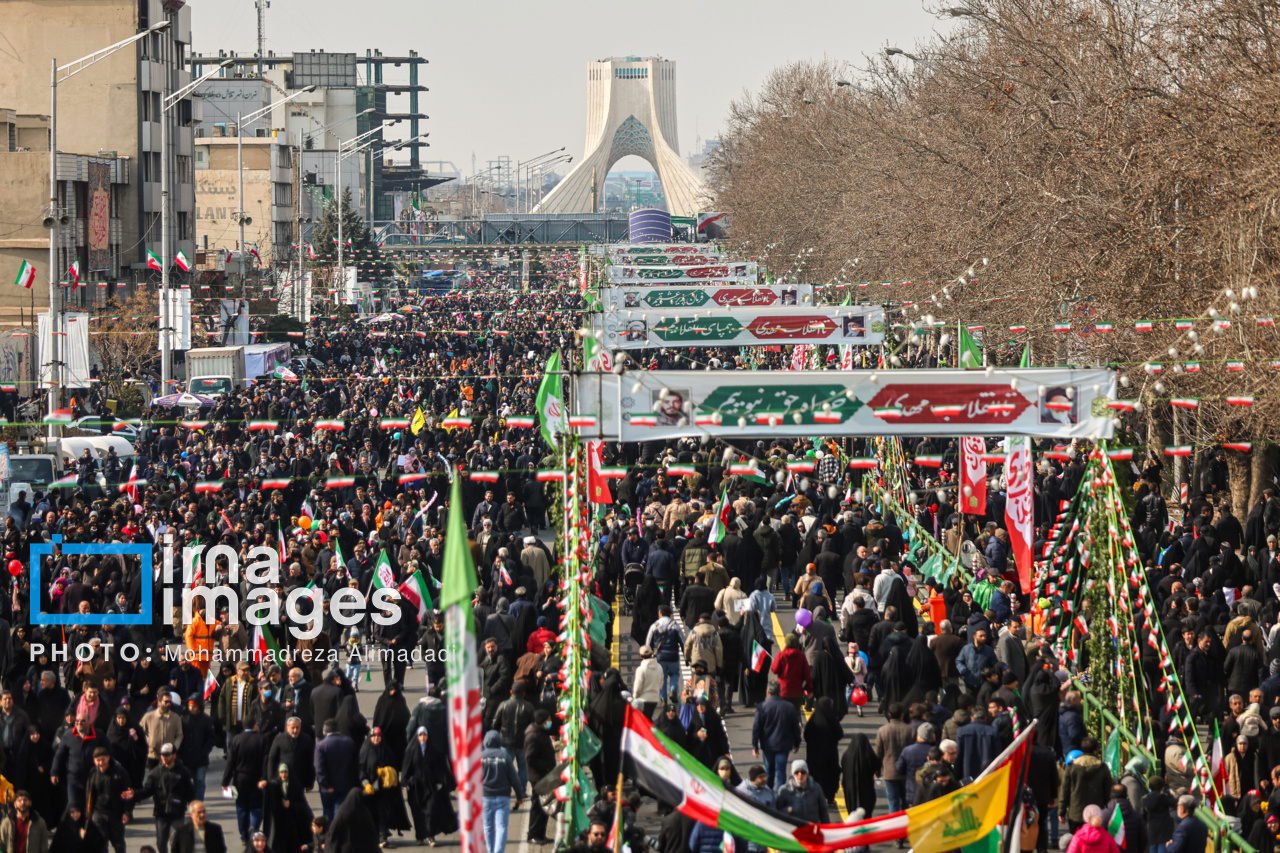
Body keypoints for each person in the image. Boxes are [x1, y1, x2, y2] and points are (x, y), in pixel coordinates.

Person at [140, 742, 194, 853]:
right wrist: (134, 794)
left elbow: (190, 792)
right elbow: (147, 790)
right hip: (161, 813)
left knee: (176, 841)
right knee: (161, 843)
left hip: (177, 812)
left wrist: (193, 807)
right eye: (162, 755)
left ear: (174, 755)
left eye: (167, 754)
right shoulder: (155, 772)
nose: (164, 757)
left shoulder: (183, 771)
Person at [751, 682, 803, 791]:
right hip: (783, 745)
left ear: (767, 692)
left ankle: (768, 793)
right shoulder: (789, 707)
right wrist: (797, 743)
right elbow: (795, 727)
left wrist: (755, 745)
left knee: (769, 771)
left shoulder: (762, 707)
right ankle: (780, 795)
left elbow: (756, 728)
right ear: (780, 691)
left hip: (767, 745)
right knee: (781, 772)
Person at [480, 730, 523, 853]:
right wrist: (519, 795)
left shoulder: (481, 757)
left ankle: (490, 850)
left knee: (488, 826)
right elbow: (514, 778)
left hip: (486, 797)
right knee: (501, 827)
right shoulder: (505, 756)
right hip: (502, 797)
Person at [1060, 737, 1113, 832]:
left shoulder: (1072, 767)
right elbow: (1108, 792)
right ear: (1095, 751)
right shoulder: (1102, 767)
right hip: (1096, 814)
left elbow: (1065, 790)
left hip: (1076, 814)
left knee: (1076, 841)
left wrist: (1061, 811)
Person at [875, 702, 915, 819]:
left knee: (893, 802)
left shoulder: (882, 730)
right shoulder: (910, 730)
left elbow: (878, 753)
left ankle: (895, 829)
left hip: (889, 771)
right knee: (905, 802)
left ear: (889, 714)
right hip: (906, 772)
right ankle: (905, 828)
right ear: (902, 715)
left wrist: (877, 771)